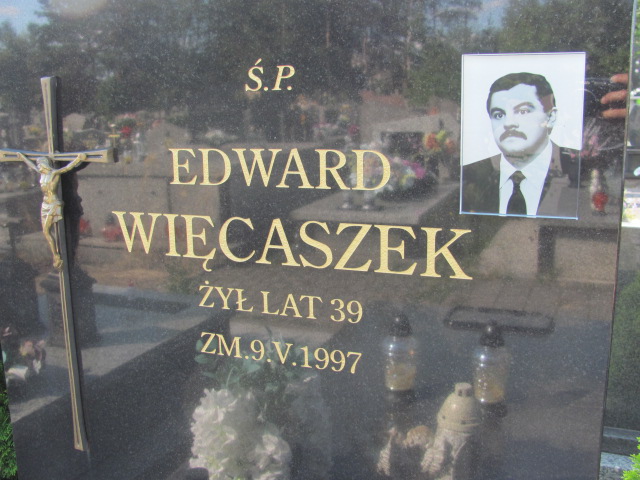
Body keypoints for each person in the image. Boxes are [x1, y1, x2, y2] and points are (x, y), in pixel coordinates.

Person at [461, 72, 580, 218]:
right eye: (499, 115)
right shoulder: (472, 175)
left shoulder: (580, 169)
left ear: (550, 117)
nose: (509, 123)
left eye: (523, 111)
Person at [18, 153, 86, 270]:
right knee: (46, 231)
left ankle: (61, 258)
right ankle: (57, 255)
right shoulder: (42, 173)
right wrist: (22, 157)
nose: (39, 167)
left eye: (40, 165)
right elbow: (31, 165)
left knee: (59, 230)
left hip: (54, 203)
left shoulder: (54, 173)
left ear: (45, 165)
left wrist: (78, 159)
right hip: (45, 205)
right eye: (38, 165)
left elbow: (67, 168)